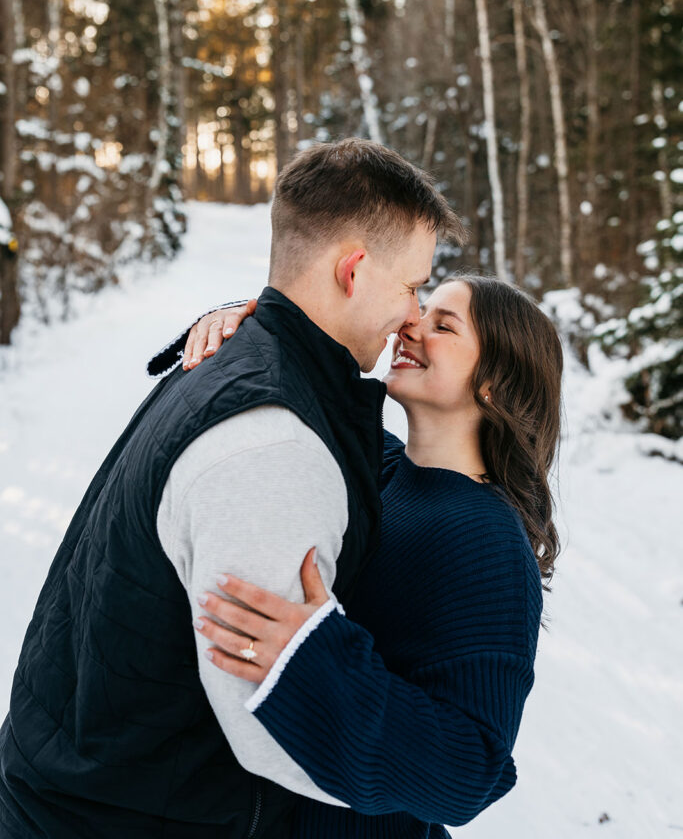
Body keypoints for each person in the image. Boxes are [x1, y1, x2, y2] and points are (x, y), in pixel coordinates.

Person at [0, 138, 464, 839]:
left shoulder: (244, 363)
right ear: (352, 270)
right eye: (409, 286)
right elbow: (271, 722)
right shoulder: (273, 445)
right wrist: (448, 774)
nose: (413, 313)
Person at [178, 273, 562, 838]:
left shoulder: (487, 540)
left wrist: (312, 661)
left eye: (443, 326)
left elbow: (469, 771)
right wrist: (251, 321)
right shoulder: (379, 463)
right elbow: (309, 383)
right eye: (421, 312)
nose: (411, 326)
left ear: (493, 384)